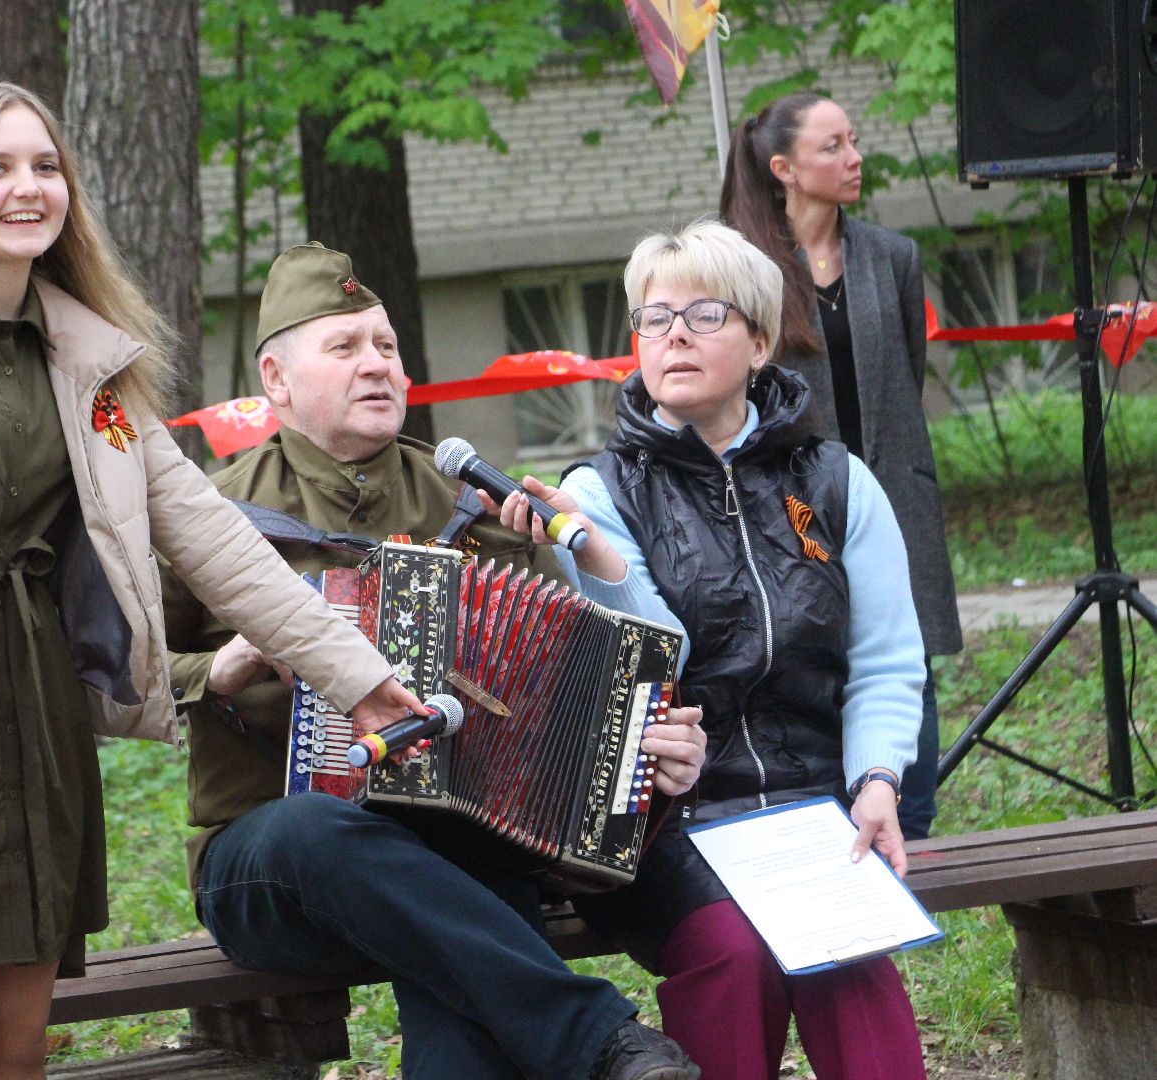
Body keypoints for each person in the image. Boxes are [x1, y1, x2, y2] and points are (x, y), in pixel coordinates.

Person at [0, 84, 423, 1080]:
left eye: (45, 166)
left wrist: (357, 677)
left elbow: (216, 539)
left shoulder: (85, 361)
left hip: (40, 712)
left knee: (19, 1046)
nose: (28, 187)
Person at [161, 241, 707, 1080]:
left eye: (385, 346)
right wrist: (214, 670)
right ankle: (598, 1040)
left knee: (462, 908)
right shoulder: (210, 516)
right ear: (276, 379)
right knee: (321, 831)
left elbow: (562, 690)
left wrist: (644, 746)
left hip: (452, 847)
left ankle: (596, 1043)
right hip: (275, 862)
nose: (375, 364)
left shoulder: (474, 508)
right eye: (344, 347)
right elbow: (113, 674)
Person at [494, 220, 928, 1080]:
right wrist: (598, 558)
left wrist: (877, 783)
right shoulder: (595, 495)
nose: (675, 336)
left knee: (848, 957)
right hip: (668, 824)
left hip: (814, 811)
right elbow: (660, 664)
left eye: (704, 315)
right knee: (733, 952)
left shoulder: (836, 481)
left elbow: (885, 659)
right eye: (654, 319)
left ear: (759, 343)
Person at [719, 92, 962, 841]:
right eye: (833, 146)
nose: (855, 158)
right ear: (784, 168)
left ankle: (908, 830)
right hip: (789, 505)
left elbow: (903, 380)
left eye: (853, 141)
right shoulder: (741, 268)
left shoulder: (892, 256)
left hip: (892, 493)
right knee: (809, 656)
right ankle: (822, 828)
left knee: (904, 653)